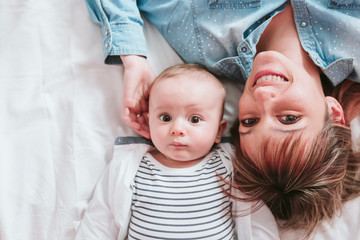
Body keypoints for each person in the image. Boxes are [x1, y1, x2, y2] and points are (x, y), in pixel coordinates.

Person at [84, 0, 360, 238]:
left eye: (250, 121)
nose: (262, 97)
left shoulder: (201, 38)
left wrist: (133, 59)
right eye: (289, 118)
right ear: (333, 113)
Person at [75, 64, 280, 240]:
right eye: (165, 118)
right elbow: (101, 220)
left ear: (219, 131)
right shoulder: (131, 168)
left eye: (194, 119)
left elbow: (256, 220)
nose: (177, 129)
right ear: (148, 121)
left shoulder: (229, 166)